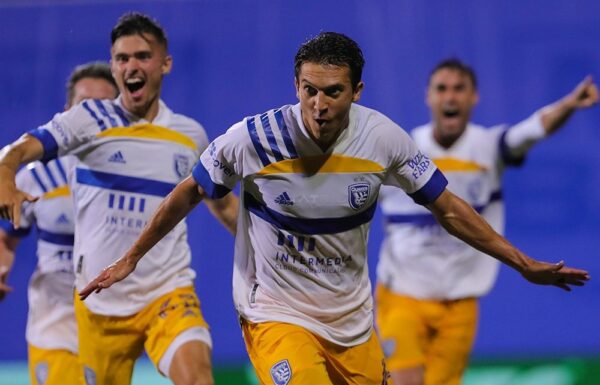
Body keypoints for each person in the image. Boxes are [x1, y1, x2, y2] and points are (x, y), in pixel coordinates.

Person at [66, 33, 586, 385]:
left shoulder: (383, 139)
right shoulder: (253, 139)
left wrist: (522, 264)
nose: (319, 105)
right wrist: (133, 257)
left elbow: (449, 209)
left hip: (353, 323)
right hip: (273, 314)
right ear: (296, 86)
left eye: (333, 93)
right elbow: (189, 190)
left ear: (356, 91)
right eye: (309, 91)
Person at [0, 12, 238, 385]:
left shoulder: (190, 136)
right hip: (99, 304)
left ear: (165, 64)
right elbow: (15, 152)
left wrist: (267, 252)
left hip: (166, 290)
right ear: (113, 66)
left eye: (142, 56)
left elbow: (223, 204)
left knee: (198, 377)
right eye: (122, 58)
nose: (132, 66)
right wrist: (5, 175)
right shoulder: (86, 122)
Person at [375, 59, 598, 385]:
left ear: (473, 97)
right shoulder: (402, 152)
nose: (450, 97)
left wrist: (569, 104)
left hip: (460, 305)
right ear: (429, 97)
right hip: (402, 297)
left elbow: (535, 128)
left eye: (458, 89)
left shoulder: (488, 147)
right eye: (442, 89)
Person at [0, 61, 118, 385]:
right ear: (67, 112)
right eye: (84, 107)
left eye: (104, 107)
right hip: (55, 323)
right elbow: (7, 238)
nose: (92, 118)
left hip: (112, 326)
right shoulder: (36, 178)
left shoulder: (133, 175)